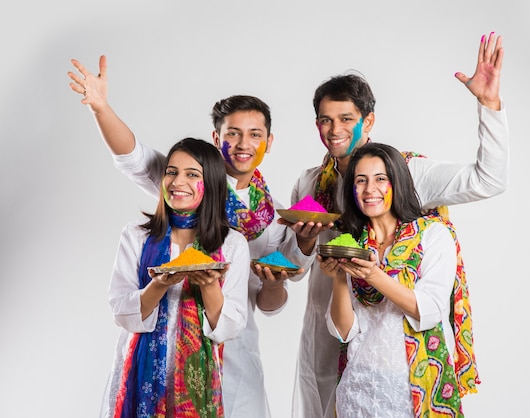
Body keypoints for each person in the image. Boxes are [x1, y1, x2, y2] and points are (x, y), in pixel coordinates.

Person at [68, 59, 319, 418]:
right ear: (217, 138)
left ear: (269, 141)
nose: (243, 144)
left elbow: (270, 302)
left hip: (233, 346)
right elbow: (133, 156)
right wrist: (102, 107)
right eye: (232, 133)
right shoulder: (185, 179)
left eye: (255, 135)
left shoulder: (276, 217)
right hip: (156, 347)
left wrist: (301, 250)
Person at [287, 31, 507, 417]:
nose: (335, 129)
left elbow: (487, 180)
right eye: (325, 120)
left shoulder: (406, 173)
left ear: (368, 120)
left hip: (401, 345)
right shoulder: (308, 183)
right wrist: (304, 248)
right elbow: (296, 267)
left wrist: (489, 106)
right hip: (332, 325)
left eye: (346, 118)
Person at [318, 142, 475, 417]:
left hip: (413, 388)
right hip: (358, 387)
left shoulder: (433, 235)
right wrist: (338, 278)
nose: (370, 190)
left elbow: (430, 311)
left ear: (398, 182)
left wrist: (374, 275)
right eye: (360, 181)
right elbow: (344, 332)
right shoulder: (352, 243)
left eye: (381, 179)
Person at [103, 137, 250, 417]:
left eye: (192, 174)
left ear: (213, 184)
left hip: (198, 384)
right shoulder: (137, 235)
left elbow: (230, 328)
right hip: (140, 374)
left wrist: (209, 287)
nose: (177, 182)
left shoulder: (231, 245)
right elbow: (121, 312)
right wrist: (158, 285)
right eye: (172, 172)